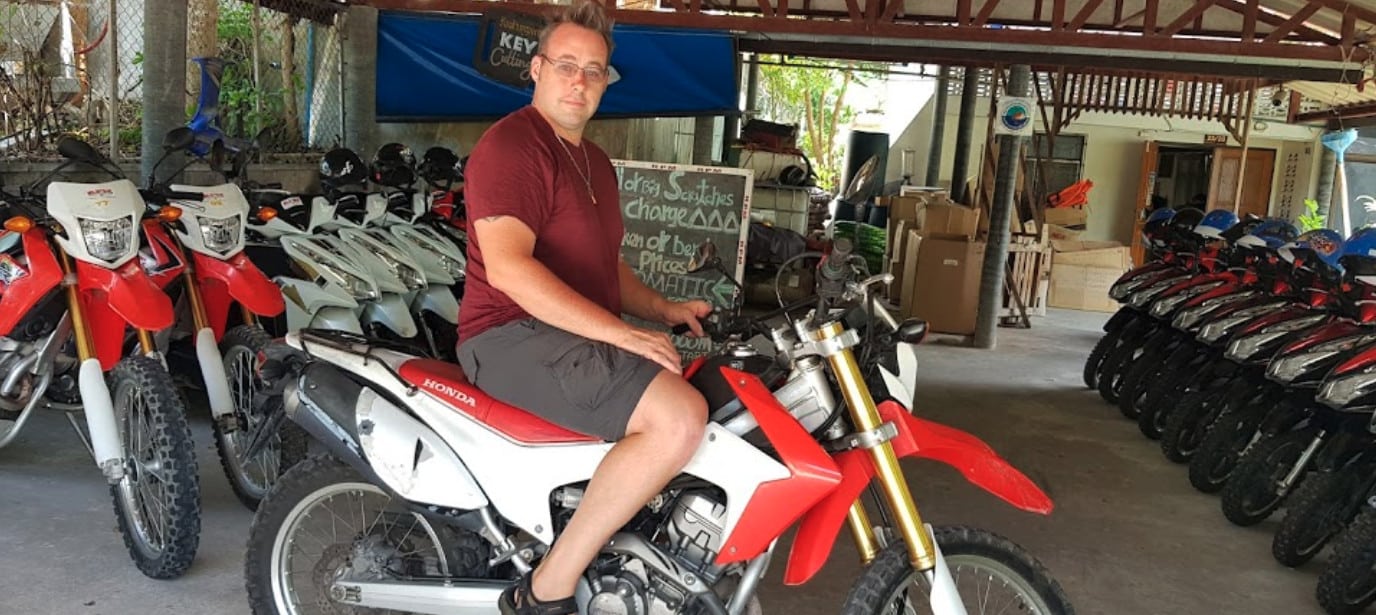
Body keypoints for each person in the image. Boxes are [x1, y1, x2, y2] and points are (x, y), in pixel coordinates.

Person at [455, 3, 711, 615]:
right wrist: (625, 335)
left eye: (594, 71)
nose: (579, 81)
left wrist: (663, 308)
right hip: (506, 335)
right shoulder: (513, 147)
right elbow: (511, 269)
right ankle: (546, 589)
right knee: (678, 418)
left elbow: (605, 267)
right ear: (537, 69)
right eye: (566, 65)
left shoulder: (593, 160)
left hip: (567, 337)